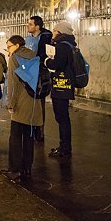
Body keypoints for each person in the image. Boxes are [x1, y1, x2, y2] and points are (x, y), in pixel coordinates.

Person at [1, 35, 42, 180]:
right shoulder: (33, 55)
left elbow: (13, 84)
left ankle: (14, 168)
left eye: (9, 47)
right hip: (33, 103)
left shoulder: (14, 58)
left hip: (20, 103)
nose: (8, 51)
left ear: (17, 46)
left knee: (15, 138)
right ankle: (27, 168)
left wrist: (11, 104)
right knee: (28, 138)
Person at [44, 21, 76, 158]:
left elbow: (58, 64)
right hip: (66, 85)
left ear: (60, 32)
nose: (53, 33)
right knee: (63, 118)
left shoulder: (62, 46)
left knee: (62, 117)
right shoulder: (70, 45)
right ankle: (65, 146)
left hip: (61, 86)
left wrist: (47, 61)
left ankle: (64, 148)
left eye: (55, 31)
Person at [25, 16, 52, 141]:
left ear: (37, 26)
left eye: (30, 24)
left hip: (40, 74)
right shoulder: (28, 39)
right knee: (30, 103)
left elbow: (43, 55)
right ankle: (31, 128)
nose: (28, 26)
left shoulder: (45, 38)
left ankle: (40, 131)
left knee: (39, 103)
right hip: (28, 73)